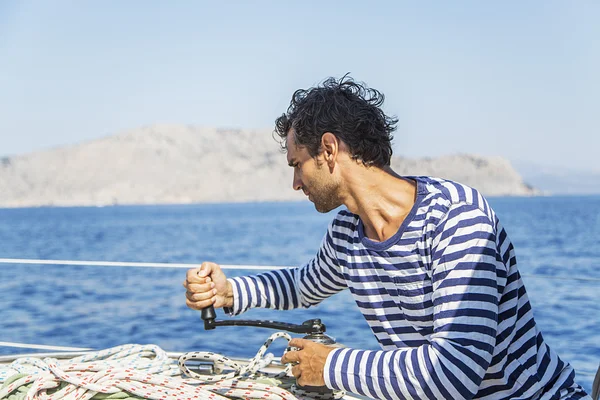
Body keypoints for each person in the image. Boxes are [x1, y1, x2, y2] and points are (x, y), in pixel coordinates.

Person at [184, 76, 590, 400]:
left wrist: (330, 366)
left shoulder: (456, 217)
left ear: (328, 149)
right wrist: (228, 292)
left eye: (297, 165)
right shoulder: (348, 232)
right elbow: (302, 286)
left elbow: (454, 374)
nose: (294, 183)